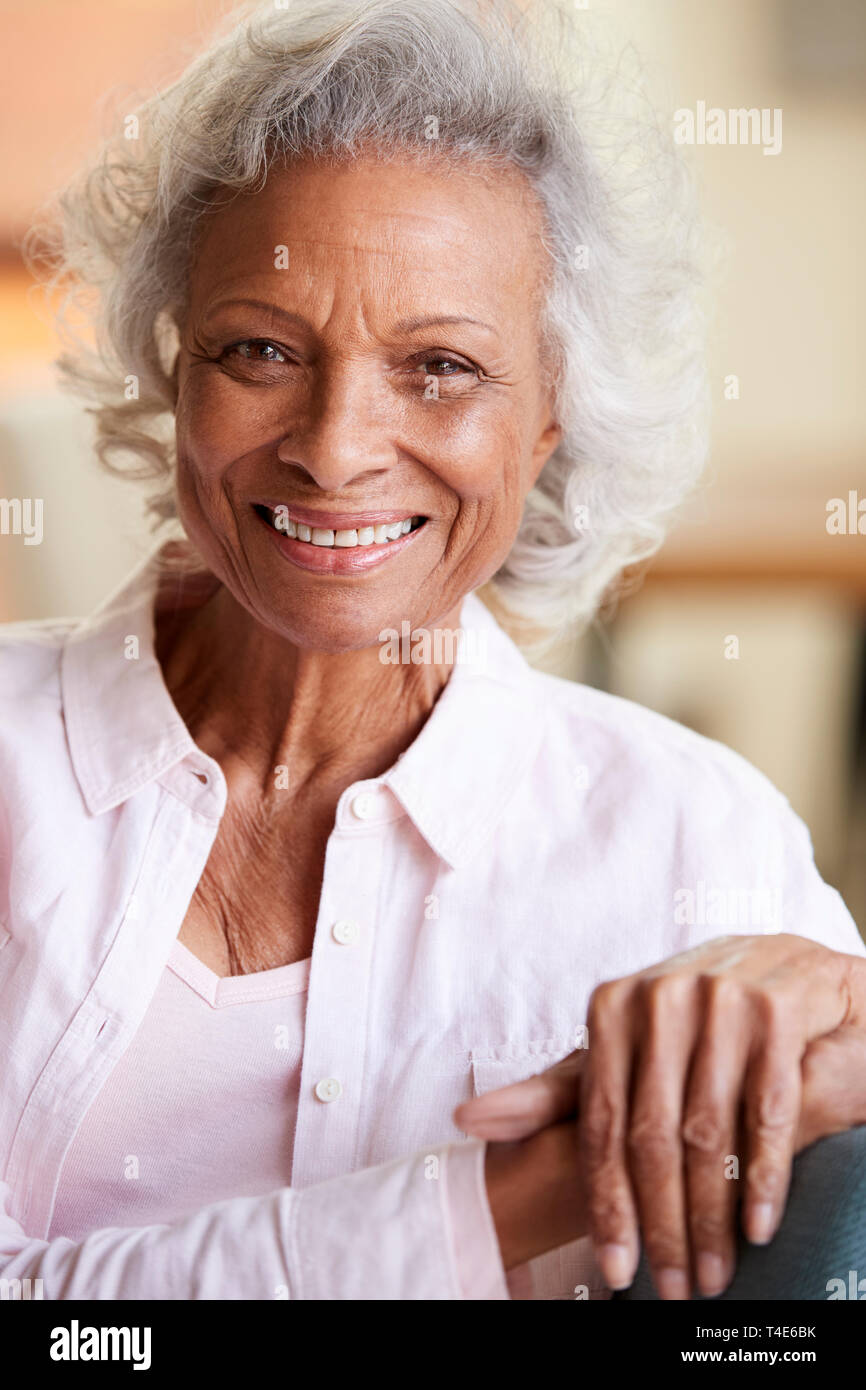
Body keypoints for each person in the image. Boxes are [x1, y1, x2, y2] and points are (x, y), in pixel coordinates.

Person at [2, 0, 864, 1301]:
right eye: (260, 349)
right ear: (171, 366)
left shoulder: (699, 845)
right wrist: (520, 1192)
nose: (337, 445)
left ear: (552, 415)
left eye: (440, 368)